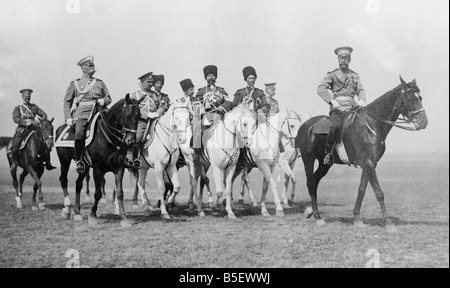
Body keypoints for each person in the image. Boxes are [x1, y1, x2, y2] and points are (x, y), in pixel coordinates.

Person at [317, 46, 367, 166]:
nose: (343, 60)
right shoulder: (332, 75)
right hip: (338, 109)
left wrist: (361, 100)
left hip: (353, 108)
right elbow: (320, 88)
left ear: (349, 60)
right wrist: (331, 100)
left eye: (346, 58)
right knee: (335, 126)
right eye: (341, 58)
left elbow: (361, 89)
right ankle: (328, 154)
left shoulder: (355, 75)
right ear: (338, 60)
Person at [63, 56, 112, 173]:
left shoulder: (100, 82)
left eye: (92, 65)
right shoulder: (75, 84)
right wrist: (68, 118)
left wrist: (103, 101)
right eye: (89, 65)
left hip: (100, 111)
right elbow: (67, 102)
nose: (92, 67)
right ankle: (79, 161)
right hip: (83, 114)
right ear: (83, 68)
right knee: (79, 133)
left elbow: (109, 98)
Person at [127, 72, 171, 168]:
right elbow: (133, 111)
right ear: (141, 83)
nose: (151, 84)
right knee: (138, 137)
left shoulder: (155, 95)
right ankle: (135, 158)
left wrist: (157, 113)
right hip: (142, 121)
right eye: (148, 82)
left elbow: (162, 106)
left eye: (151, 82)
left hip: (156, 121)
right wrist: (147, 115)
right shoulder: (135, 95)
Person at [10, 89, 56, 171]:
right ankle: (14, 162)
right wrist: (25, 122)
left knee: (46, 142)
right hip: (22, 129)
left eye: (28, 96)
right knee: (15, 145)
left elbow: (44, 114)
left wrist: (41, 121)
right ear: (22, 97)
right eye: (25, 96)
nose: (27, 98)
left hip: (33, 129)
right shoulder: (18, 108)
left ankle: (48, 163)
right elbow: (15, 119)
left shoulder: (34, 107)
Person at [192, 65, 233, 153]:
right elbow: (195, 104)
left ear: (215, 77)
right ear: (206, 78)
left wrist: (221, 108)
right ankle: (197, 152)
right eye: (209, 76)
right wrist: (202, 110)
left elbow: (228, 102)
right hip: (205, 116)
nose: (211, 77)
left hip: (220, 114)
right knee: (196, 124)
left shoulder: (221, 90)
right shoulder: (201, 91)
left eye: (213, 75)